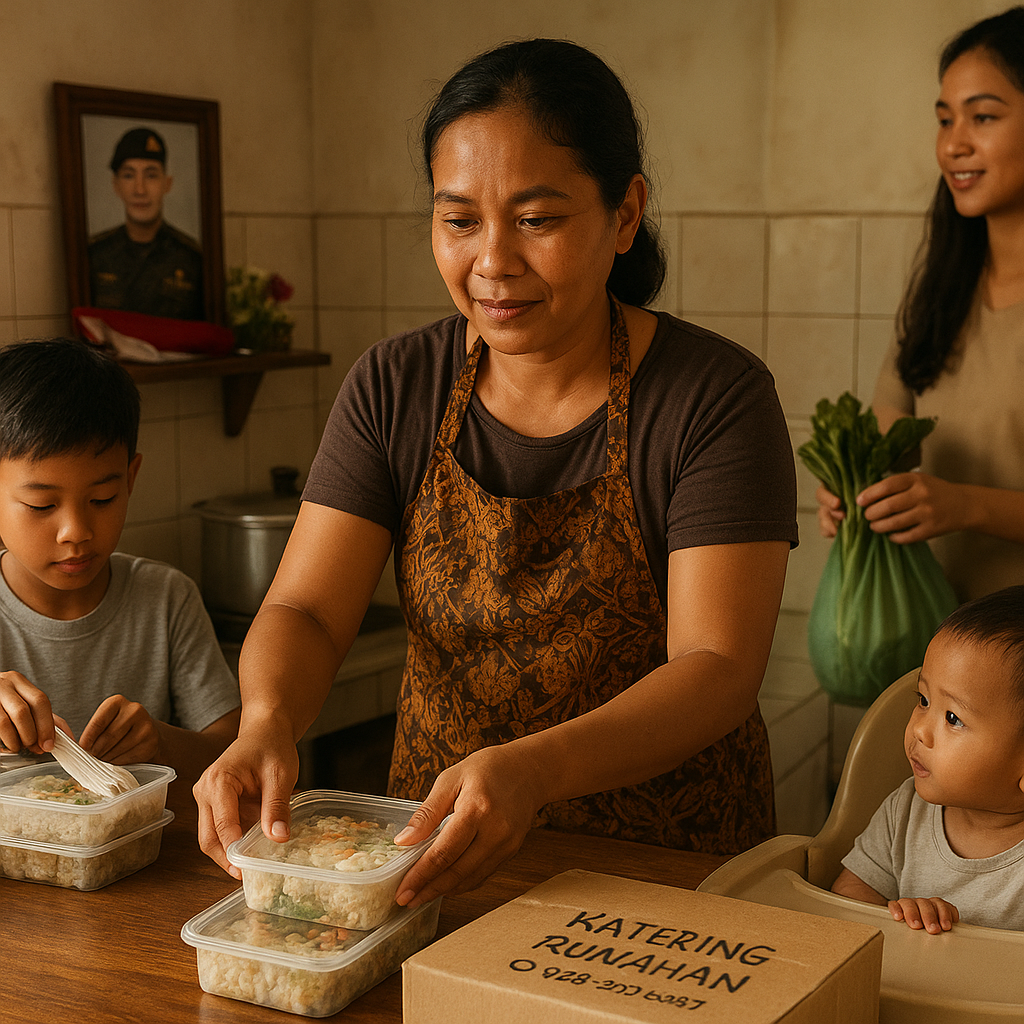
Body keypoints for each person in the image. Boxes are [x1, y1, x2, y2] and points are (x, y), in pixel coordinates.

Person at [194, 38, 798, 906]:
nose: (492, 262)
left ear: (626, 213)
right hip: (431, 854)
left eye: (537, 219)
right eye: (460, 218)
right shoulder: (396, 384)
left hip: (664, 868)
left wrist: (536, 770)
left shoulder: (714, 396)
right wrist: (266, 721)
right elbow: (307, 608)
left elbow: (716, 665)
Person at [818, 6, 1024, 603]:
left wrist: (967, 504)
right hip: (946, 644)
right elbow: (891, 424)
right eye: (943, 119)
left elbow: (959, 501)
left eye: (982, 117)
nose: (953, 144)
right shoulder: (942, 287)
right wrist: (857, 486)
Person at [0, 338, 240, 782]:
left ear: (130, 479)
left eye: (102, 498)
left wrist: (163, 743)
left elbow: (231, 752)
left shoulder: (166, 598)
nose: (76, 532)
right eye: (41, 506)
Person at [832, 586, 1024, 933]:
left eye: (952, 718)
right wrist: (897, 916)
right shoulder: (904, 811)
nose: (919, 728)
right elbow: (848, 898)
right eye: (922, 700)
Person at [88, 127, 205, 321]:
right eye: (129, 175)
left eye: (151, 175)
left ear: (167, 183)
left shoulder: (192, 258)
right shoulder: (95, 254)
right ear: (116, 185)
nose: (140, 189)